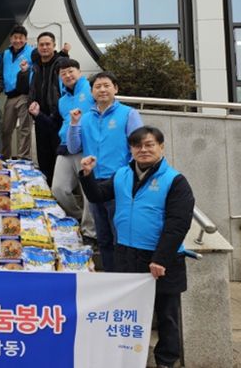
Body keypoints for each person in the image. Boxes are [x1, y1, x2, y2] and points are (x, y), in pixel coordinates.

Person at [79, 126, 194, 368]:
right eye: (137, 145)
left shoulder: (175, 181)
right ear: (130, 150)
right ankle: (128, 358)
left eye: (149, 145)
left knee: (167, 315)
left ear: (161, 147)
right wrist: (87, 175)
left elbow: (178, 224)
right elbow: (98, 196)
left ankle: (166, 361)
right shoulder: (122, 174)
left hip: (161, 258)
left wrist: (160, 259)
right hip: (127, 253)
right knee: (129, 312)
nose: (143, 150)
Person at [67, 71, 143, 271]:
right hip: (93, 183)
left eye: (106, 85)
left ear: (115, 88)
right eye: (97, 86)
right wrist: (73, 124)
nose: (102, 90)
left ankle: (123, 276)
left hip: (119, 182)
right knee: (103, 236)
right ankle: (110, 275)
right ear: (91, 92)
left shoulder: (128, 114)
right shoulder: (85, 117)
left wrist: (129, 176)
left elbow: (139, 148)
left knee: (120, 235)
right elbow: (73, 148)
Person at [49, 58, 95, 241]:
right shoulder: (62, 100)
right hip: (66, 146)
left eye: (70, 71)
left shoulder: (91, 89)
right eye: (63, 73)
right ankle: (77, 216)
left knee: (89, 192)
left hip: (88, 146)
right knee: (58, 189)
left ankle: (90, 233)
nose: (67, 75)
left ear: (79, 72)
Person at [22, 31, 69, 186]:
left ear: (54, 45)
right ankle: (47, 189)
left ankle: (58, 190)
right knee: (43, 156)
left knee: (58, 156)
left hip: (58, 118)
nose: (44, 47)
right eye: (41, 44)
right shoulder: (35, 66)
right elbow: (28, 89)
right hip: (40, 116)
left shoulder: (62, 65)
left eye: (48, 44)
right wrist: (31, 106)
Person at [0, 25, 34, 160]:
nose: (18, 40)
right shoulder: (5, 54)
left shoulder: (32, 52)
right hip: (10, 95)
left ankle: (23, 158)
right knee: (6, 129)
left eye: (21, 38)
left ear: (25, 39)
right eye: (15, 37)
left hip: (25, 94)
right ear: (11, 39)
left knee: (24, 128)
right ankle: (5, 157)